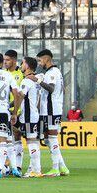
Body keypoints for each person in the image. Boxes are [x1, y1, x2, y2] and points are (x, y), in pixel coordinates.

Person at [36, 48, 69, 176]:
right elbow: (63, 90)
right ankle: (63, 167)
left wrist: (38, 80)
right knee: (49, 140)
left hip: (51, 109)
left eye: (40, 60)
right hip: (50, 109)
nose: (39, 63)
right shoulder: (56, 72)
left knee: (52, 138)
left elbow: (51, 88)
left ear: (46, 59)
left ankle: (55, 168)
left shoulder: (52, 72)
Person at [16, 57, 43, 177]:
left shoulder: (26, 81)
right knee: (34, 142)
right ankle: (34, 168)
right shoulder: (35, 81)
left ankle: (36, 170)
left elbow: (20, 96)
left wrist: (14, 112)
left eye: (22, 63)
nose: (21, 65)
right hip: (34, 114)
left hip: (28, 116)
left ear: (27, 66)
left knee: (31, 142)